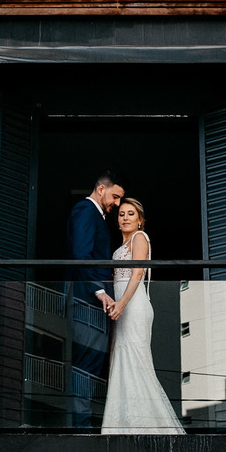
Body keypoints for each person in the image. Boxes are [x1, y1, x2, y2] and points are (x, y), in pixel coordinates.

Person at [102, 198, 185, 435]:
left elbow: (137, 272)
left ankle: (149, 426)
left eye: (131, 214)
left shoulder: (140, 238)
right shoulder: (120, 246)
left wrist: (123, 304)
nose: (125, 218)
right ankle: (123, 425)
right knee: (122, 359)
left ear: (140, 220)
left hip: (134, 305)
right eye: (121, 214)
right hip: (120, 305)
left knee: (136, 359)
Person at [66, 170, 124, 429]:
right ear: (101, 189)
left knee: (93, 361)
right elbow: (81, 254)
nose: (118, 204)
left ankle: (84, 421)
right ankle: (81, 426)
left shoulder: (97, 216)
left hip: (93, 300)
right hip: (87, 298)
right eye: (115, 196)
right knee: (86, 363)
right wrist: (99, 291)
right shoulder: (85, 210)